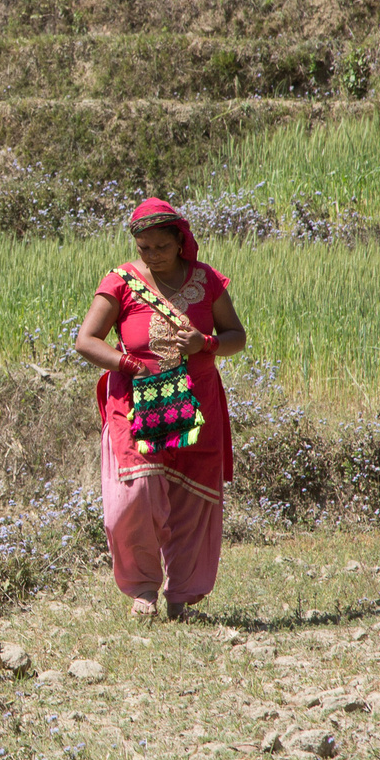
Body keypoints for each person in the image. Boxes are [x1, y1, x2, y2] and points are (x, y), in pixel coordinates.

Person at [73, 200, 246, 620]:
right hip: (135, 404)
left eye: (161, 247)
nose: (152, 254)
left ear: (181, 242)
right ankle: (144, 590)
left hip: (197, 403)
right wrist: (126, 364)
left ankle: (181, 598)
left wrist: (205, 344)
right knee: (136, 494)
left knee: (192, 498)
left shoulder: (206, 281)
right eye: (144, 246)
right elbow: (86, 340)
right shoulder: (120, 282)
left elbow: (236, 336)